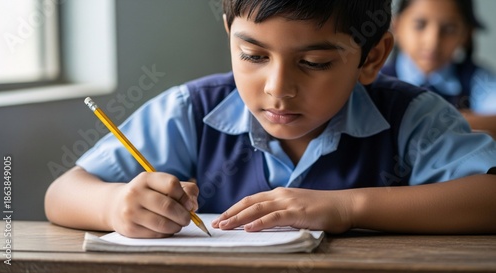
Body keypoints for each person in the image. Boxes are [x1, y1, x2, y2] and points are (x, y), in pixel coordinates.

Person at [45, 0, 496, 238]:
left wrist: (345, 207)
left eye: (315, 62)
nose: (277, 88)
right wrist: (115, 205)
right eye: (253, 55)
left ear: (372, 56)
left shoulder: (411, 117)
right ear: (229, 37)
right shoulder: (192, 111)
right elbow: (62, 193)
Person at [382, 0, 496, 138]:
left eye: (449, 29)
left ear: (466, 34)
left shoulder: (478, 80)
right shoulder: (374, 80)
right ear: (397, 26)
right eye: (420, 25)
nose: (433, 42)